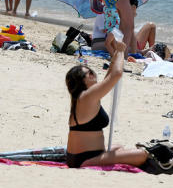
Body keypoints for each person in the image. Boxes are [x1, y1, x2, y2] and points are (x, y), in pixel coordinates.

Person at [64, 39, 149, 168]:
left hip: (83, 154)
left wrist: (115, 55)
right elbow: (116, 75)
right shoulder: (87, 96)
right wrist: (121, 52)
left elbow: (109, 78)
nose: (94, 74)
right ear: (82, 81)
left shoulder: (84, 97)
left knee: (119, 146)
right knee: (142, 155)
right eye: (90, 73)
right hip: (84, 159)